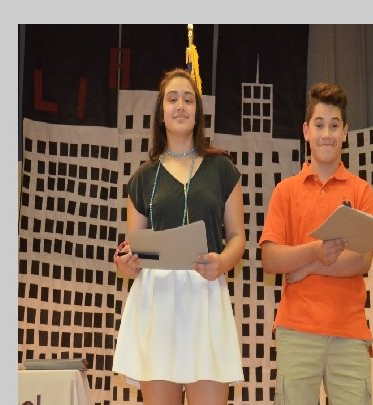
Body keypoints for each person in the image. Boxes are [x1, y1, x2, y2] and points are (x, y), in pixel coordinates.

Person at [112, 68, 246, 405]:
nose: (181, 106)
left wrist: (222, 262)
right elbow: (134, 247)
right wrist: (126, 263)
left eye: (188, 99)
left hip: (206, 296)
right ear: (161, 113)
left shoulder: (222, 169)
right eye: (172, 99)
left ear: (198, 113)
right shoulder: (143, 178)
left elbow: (237, 237)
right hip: (156, 303)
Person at [259, 82, 373, 405]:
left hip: (349, 332)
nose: (327, 134)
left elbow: (361, 260)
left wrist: (306, 267)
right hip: (296, 330)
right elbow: (270, 259)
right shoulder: (286, 191)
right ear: (306, 131)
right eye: (319, 125)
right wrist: (315, 251)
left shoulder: (361, 191)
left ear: (345, 132)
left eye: (334, 126)